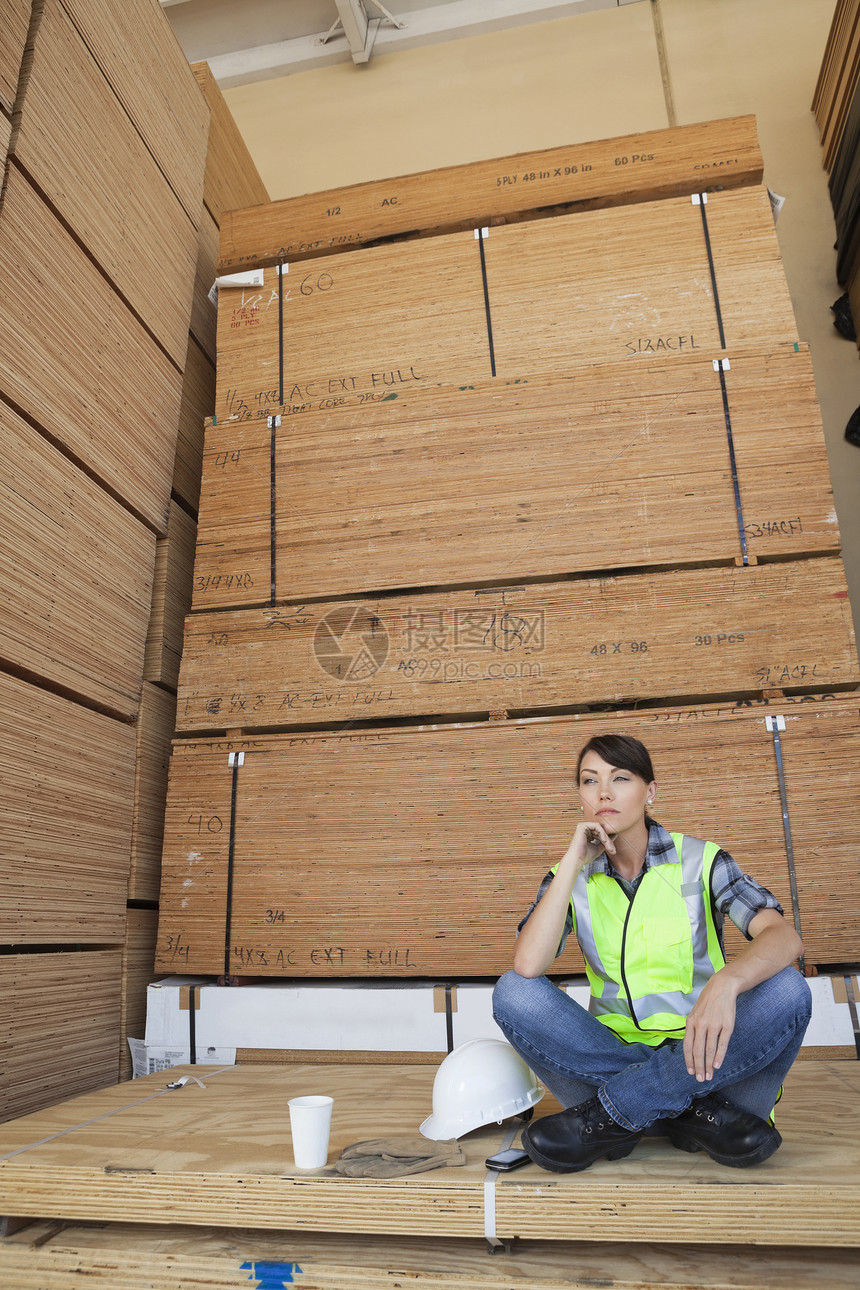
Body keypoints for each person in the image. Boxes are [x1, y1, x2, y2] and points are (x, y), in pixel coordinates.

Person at [492, 733, 812, 1173]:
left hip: (713, 1061)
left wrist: (726, 983)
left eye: (620, 778)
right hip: (689, 1099)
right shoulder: (570, 877)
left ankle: (621, 1111)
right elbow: (528, 965)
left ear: (651, 791)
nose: (603, 792)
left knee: (788, 990)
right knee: (513, 993)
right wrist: (571, 861)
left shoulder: (702, 859)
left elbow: (783, 938)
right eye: (590, 781)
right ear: (580, 796)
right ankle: (687, 1111)